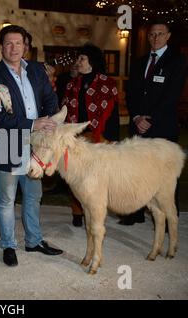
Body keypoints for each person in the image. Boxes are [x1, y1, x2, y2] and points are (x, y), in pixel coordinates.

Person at [0, 25, 63, 267]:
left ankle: (33, 241)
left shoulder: (37, 70)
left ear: (25, 45)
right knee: (7, 198)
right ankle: (8, 245)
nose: (13, 48)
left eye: (18, 43)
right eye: (8, 43)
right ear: (1, 46)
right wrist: (33, 123)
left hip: (36, 145)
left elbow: (50, 98)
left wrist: (52, 119)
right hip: (7, 143)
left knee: (33, 196)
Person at [122, 21, 186, 225]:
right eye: (152, 34)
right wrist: (136, 117)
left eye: (160, 34)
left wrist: (150, 119)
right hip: (138, 126)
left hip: (162, 127)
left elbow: (171, 96)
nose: (156, 37)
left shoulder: (178, 62)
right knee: (136, 171)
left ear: (168, 36)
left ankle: (168, 219)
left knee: (165, 175)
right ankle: (135, 213)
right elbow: (130, 93)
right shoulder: (139, 62)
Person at [61, 43, 119, 227]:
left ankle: (94, 211)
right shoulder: (73, 83)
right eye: (78, 58)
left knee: (96, 178)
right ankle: (77, 211)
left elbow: (112, 113)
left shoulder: (107, 83)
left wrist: (108, 138)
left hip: (98, 136)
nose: (78, 62)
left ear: (92, 61)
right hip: (76, 136)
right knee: (75, 176)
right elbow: (64, 106)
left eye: (82, 59)